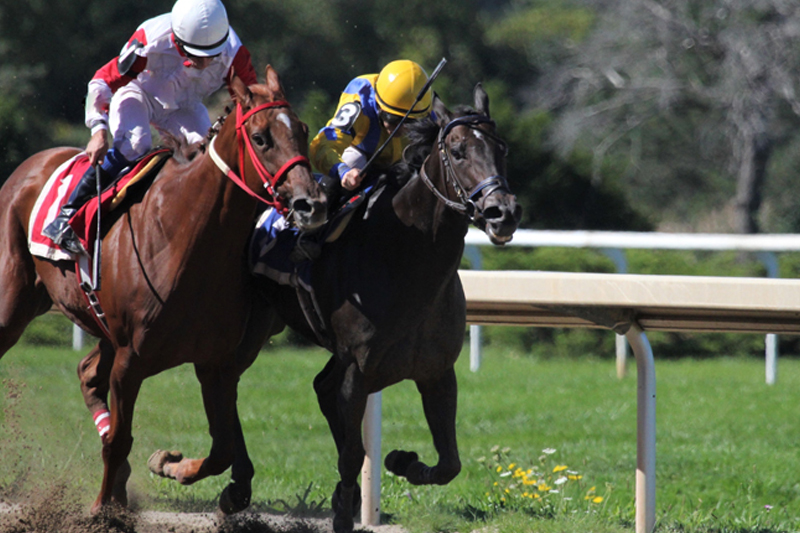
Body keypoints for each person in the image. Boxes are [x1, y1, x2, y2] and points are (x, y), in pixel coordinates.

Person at [43, 0, 258, 253]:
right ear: (177, 41)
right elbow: (101, 81)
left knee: (206, 155)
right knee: (136, 144)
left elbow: (251, 105)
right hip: (137, 93)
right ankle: (67, 217)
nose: (205, 64)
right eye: (196, 56)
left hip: (184, 107)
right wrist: (98, 129)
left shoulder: (234, 52)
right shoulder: (150, 38)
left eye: (211, 55)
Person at [309, 59, 434, 202]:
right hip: (361, 157)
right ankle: (313, 217)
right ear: (379, 107)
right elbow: (323, 144)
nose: (402, 128)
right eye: (393, 119)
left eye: (410, 122)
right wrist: (344, 172)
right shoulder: (360, 101)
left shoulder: (423, 105)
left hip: (405, 163)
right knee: (353, 160)